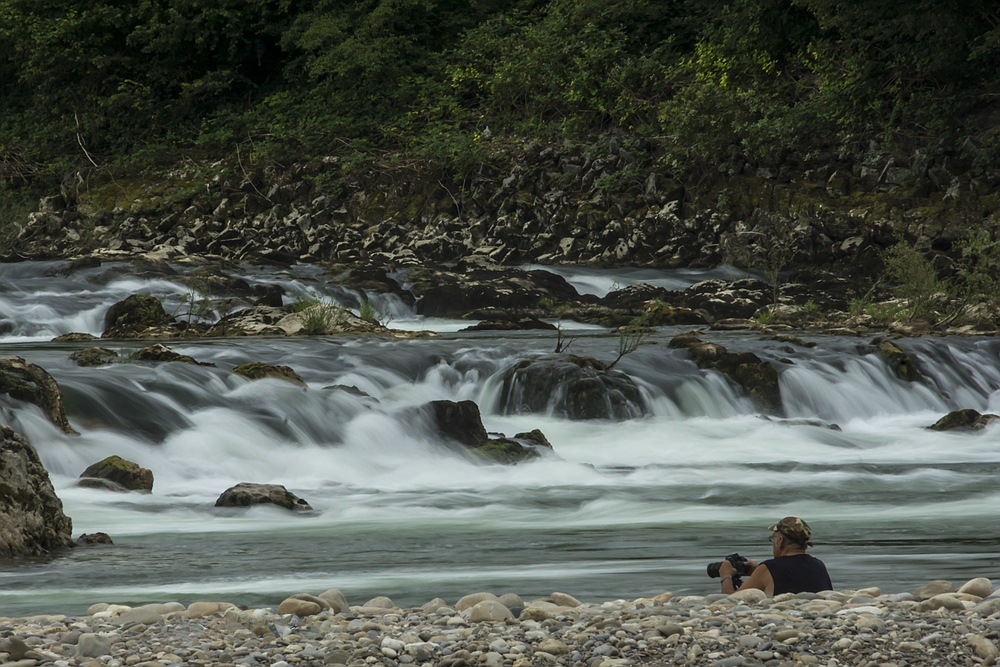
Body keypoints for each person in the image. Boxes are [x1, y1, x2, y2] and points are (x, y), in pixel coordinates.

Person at [718, 516, 832, 596]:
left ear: (780, 541)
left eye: (772, 539)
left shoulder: (769, 568)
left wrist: (726, 575)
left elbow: (731, 602)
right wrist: (756, 572)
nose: (772, 542)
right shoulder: (819, 565)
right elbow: (794, 580)